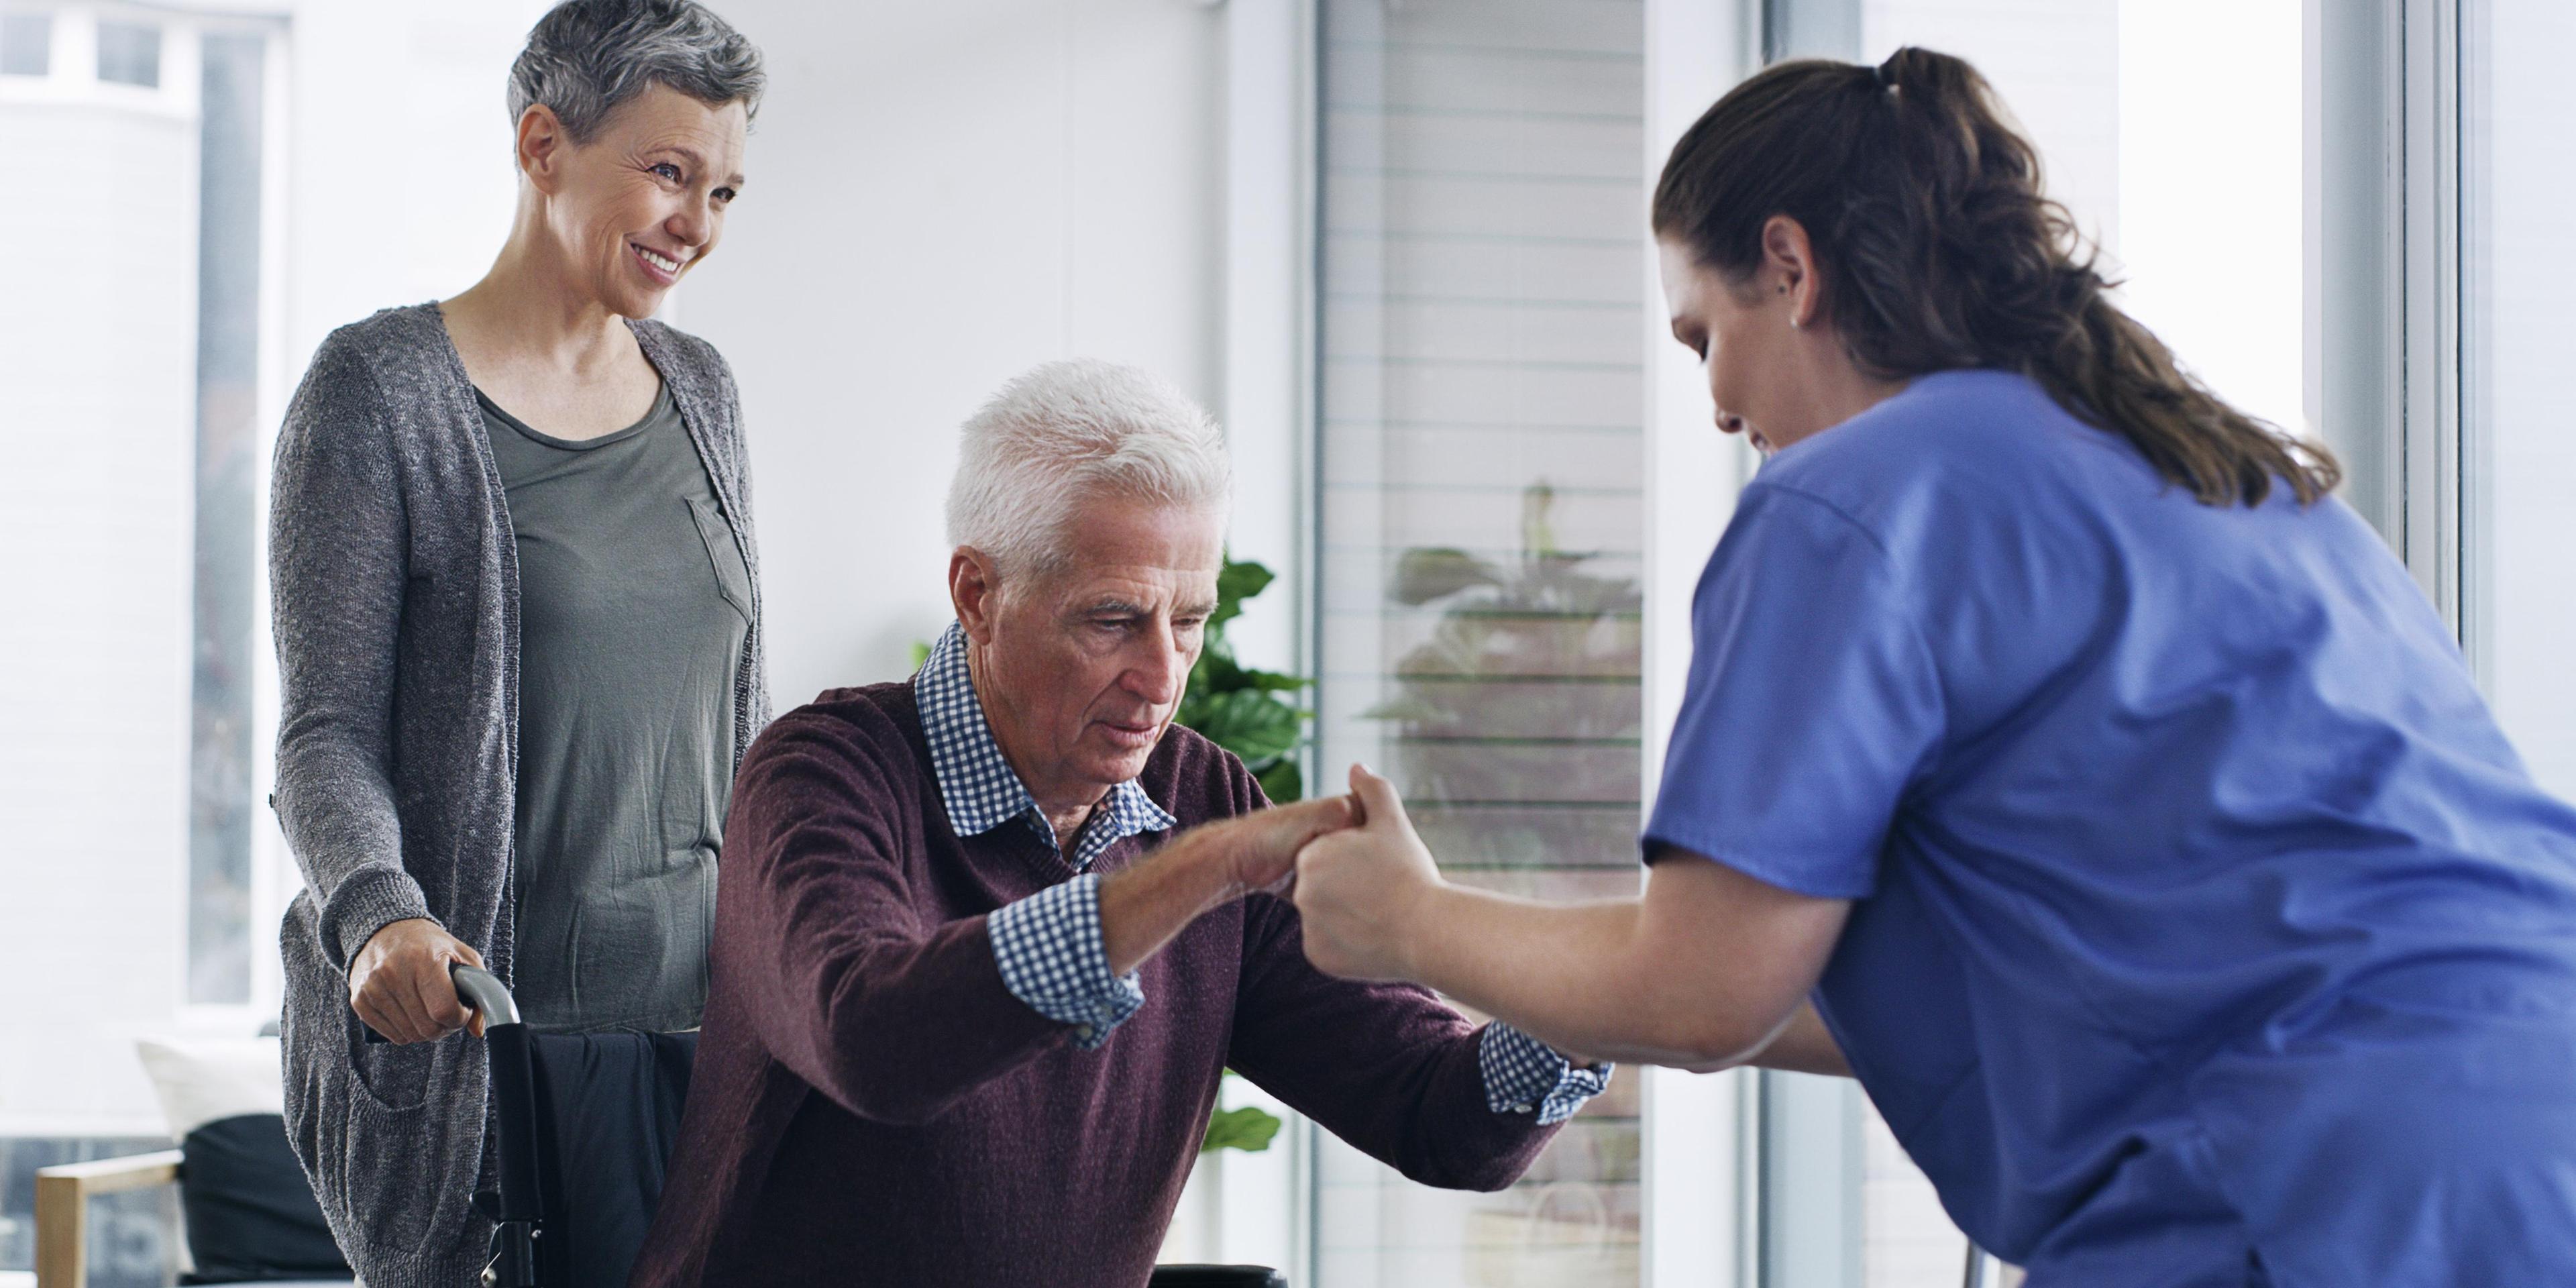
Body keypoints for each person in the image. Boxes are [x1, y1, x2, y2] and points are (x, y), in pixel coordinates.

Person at [1289, 47, 2576, 1288]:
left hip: (2315, 1182)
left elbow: (1700, 995)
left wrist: (1406, 923)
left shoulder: (1855, 498)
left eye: (1702, 340)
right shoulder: (2235, 478)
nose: (1722, 411)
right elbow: (1867, 987)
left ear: (1789, 268)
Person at [631, 360, 1607, 1287]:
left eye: (1189, 622)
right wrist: (1198, 873)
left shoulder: (1204, 797)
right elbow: (872, 1040)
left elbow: (1438, 1117)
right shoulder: (826, 770)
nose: (1162, 678)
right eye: (1111, 621)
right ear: (979, 594)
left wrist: (1581, 984)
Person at [266, 1, 765, 1281]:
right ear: (544, 144)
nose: (696, 226)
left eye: (721, 190)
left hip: (708, 1050)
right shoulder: (379, 394)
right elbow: (325, 734)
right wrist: (379, 918)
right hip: (501, 1056)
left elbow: (735, 719)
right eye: (666, 172)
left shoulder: (702, 389)